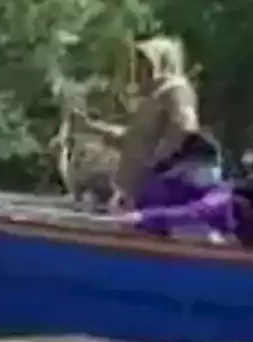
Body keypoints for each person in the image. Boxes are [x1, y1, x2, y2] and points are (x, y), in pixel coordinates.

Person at [74, 36, 237, 243]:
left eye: (146, 61)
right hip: (137, 193)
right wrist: (92, 128)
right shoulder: (153, 96)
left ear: (162, 61)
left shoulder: (175, 89)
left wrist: (156, 160)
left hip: (159, 191)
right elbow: (134, 141)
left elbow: (184, 127)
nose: (140, 68)